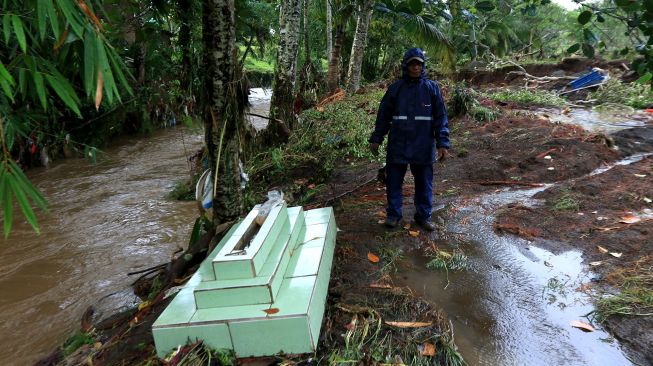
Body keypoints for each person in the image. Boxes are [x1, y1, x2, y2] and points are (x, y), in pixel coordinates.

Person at [369, 47, 450, 231]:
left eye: (419, 64)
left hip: (423, 145)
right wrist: (377, 137)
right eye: (412, 64)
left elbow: (441, 118)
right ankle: (393, 215)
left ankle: (423, 216)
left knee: (424, 183)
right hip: (398, 144)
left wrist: (443, 143)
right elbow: (384, 115)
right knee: (393, 182)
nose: (415, 68)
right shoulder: (395, 89)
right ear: (405, 66)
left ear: (423, 66)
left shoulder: (432, 89)